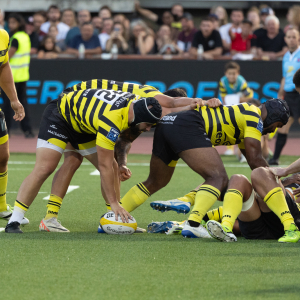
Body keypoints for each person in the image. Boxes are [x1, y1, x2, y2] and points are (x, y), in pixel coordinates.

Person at [5, 84, 207, 233]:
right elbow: (103, 164)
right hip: (60, 115)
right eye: (147, 126)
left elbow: (171, 102)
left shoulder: (139, 104)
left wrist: (199, 102)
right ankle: (14, 221)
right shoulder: (111, 122)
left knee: (111, 163)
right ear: (139, 118)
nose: (147, 130)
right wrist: (114, 201)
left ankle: (116, 218)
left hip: (84, 120)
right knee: (46, 166)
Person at [122, 98, 289, 239]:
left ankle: (115, 217)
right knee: (219, 178)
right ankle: (193, 223)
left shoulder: (245, 114)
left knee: (155, 181)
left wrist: (271, 180)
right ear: (274, 116)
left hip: (169, 123)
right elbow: (256, 158)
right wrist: (279, 182)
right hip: (187, 125)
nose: (274, 129)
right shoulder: (254, 117)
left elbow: (254, 163)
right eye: (278, 124)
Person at [207, 168, 300, 243]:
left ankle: (290, 228)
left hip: (285, 220)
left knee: (259, 173)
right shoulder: (293, 178)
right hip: (256, 229)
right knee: (238, 179)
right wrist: (284, 180)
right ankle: (226, 228)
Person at [0, 28, 26, 224]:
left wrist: (14, 100)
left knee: (2, 156)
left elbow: (4, 66)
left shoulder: (3, 36)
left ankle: (1, 207)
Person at [269, 32, 300, 165]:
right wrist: (280, 93)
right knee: (283, 126)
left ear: (298, 38)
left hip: (298, 93)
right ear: (285, 39)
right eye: (289, 37)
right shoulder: (286, 56)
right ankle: (275, 158)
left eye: (294, 37)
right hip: (288, 94)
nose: (291, 39)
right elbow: (285, 77)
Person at [2, 14, 33, 138]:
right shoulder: (25, 36)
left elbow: (5, 58)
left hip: (11, 78)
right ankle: (28, 130)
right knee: (22, 104)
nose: (10, 25)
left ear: (19, 23)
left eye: (13, 22)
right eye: (9, 22)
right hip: (22, 76)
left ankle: (5, 131)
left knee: (7, 105)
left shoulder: (14, 38)